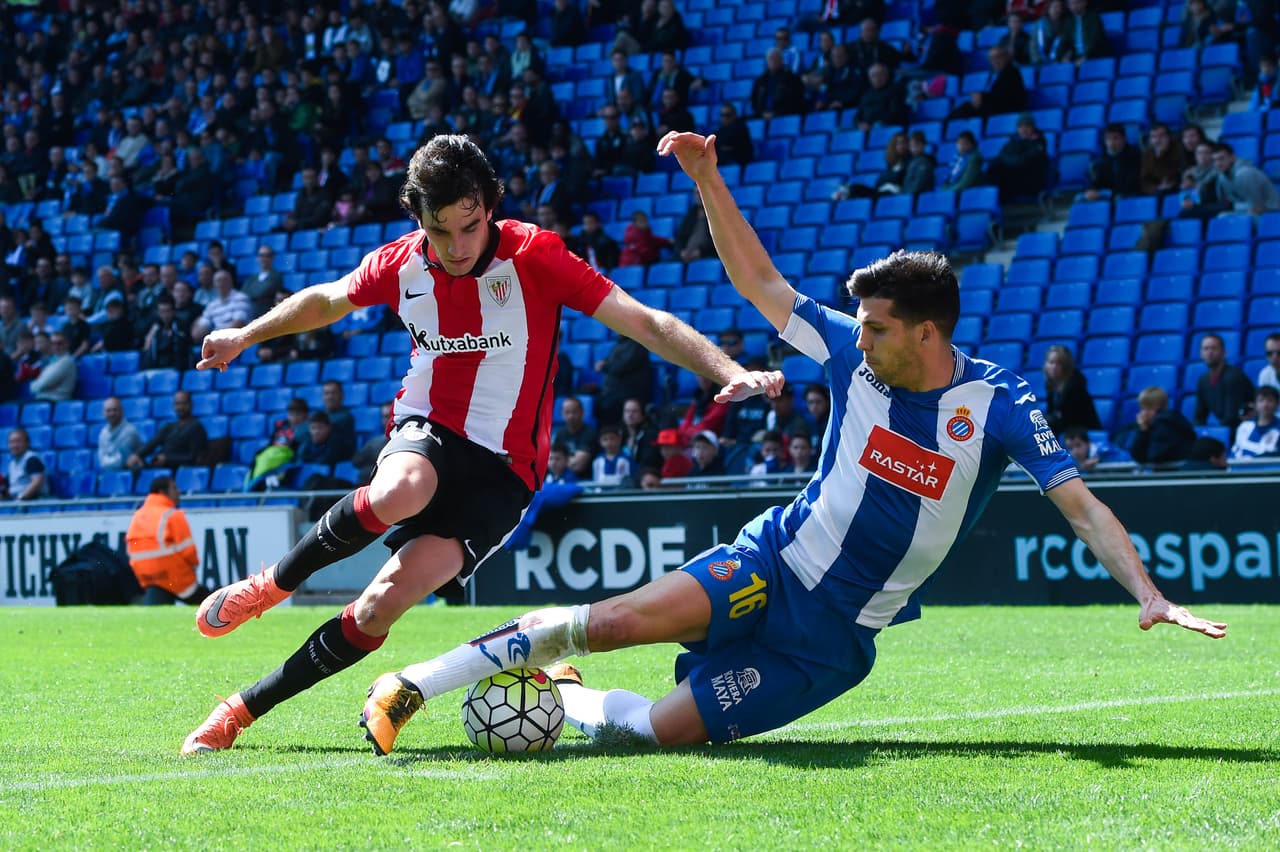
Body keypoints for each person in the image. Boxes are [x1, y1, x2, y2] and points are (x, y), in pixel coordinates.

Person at [356, 131, 1226, 755]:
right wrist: (706, 176)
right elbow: (761, 283)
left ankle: (570, 701)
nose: (859, 336)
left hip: (831, 639)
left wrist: (1146, 591)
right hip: (772, 558)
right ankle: (411, 686)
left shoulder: (998, 405)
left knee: (665, 731)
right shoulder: (855, 350)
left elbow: (1081, 505)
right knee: (615, 621)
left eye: (878, 327)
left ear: (926, 334)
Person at [181, 134, 775, 754]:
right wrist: (245, 334)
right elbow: (328, 299)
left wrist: (726, 370)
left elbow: (641, 319)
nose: (457, 246)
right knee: (404, 489)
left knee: (378, 608)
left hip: (507, 472)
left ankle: (241, 710)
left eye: (469, 227)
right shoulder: (403, 263)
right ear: (420, 220)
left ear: (488, 207)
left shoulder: (535, 256)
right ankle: (270, 587)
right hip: (431, 426)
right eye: (441, 231)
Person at [126, 476, 211, 606]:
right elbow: (188, 553)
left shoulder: (138, 515)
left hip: (146, 576)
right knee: (208, 602)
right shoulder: (173, 515)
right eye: (174, 488)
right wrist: (193, 566)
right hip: (173, 576)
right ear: (162, 492)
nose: (178, 491)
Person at [1113, 386, 1197, 465]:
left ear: (1155, 409)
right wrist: (1143, 430)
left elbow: (1153, 457)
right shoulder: (1167, 421)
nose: (1141, 414)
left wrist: (1143, 431)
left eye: (1144, 409)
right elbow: (1139, 457)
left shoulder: (1165, 425)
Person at [127, 390, 209, 471]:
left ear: (191, 405)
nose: (180, 407)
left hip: (179, 470)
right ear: (173, 406)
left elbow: (195, 457)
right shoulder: (169, 426)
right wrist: (137, 455)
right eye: (177, 404)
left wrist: (168, 459)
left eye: (184, 403)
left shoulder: (196, 427)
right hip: (161, 467)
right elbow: (153, 443)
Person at [1194, 332, 1256, 430]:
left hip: (1246, 428)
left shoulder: (1234, 376)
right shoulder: (1203, 380)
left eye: (1214, 348)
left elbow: (1231, 418)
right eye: (1206, 348)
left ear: (1223, 352)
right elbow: (1199, 416)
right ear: (1201, 353)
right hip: (1227, 428)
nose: (1210, 352)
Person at [946, 46, 1026, 120]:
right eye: (992, 59)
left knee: (966, 108)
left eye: (998, 57)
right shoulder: (994, 74)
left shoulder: (1011, 73)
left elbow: (1003, 96)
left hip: (1005, 108)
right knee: (966, 107)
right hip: (993, 106)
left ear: (1005, 57)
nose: (995, 61)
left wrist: (982, 97)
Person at [1041, 344, 1101, 435]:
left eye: (1059, 363)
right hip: (1064, 431)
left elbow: (1068, 418)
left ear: (1066, 366)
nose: (1054, 367)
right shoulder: (1051, 384)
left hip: (1082, 433)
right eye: (1051, 362)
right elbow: (1053, 413)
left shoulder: (1075, 386)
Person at [1084, 123, 1141, 201]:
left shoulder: (1135, 155)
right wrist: (1091, 189)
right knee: (1081, 199)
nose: (1111, 142)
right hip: (1109, 195)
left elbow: (1132, 182)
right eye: (1108, 139)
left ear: (1124, 139)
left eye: (1115, 138)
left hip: (1129, 195)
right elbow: (1093, 179)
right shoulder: (1101, 159)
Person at [1230, 386, 1280, 459]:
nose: (1265, 405)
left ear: (1277, 404)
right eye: (1261, 400)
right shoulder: (1244, 427)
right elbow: (1235, 453)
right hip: (1241, 469)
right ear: (1255, 404)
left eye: (1270, 401)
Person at [98, 396, 144, 472]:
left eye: (115, 410)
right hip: (109, 474)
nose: (111, 413)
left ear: (122, 411)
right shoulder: (103, 433)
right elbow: (102, 461)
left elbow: (121, 461)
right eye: (108, 411)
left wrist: (107, 462)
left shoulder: (129, 432)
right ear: (103, 413)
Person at [29, 330, 77, 402]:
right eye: (52, 343)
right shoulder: (53, 361)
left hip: (55, 401)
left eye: (59, 343)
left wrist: (33, 386)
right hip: (45, 400)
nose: (55, 346)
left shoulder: (66, 362)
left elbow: (42, 385)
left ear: (67, 344)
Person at [6, 427, 47, 501]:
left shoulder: (32, 459)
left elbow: (37, 481)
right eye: (11, 442)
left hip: (33, 502)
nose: (14, 445)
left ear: (27, 443)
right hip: (15, 502)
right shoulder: (12, 463)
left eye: (18, 441)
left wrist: (21, 498)